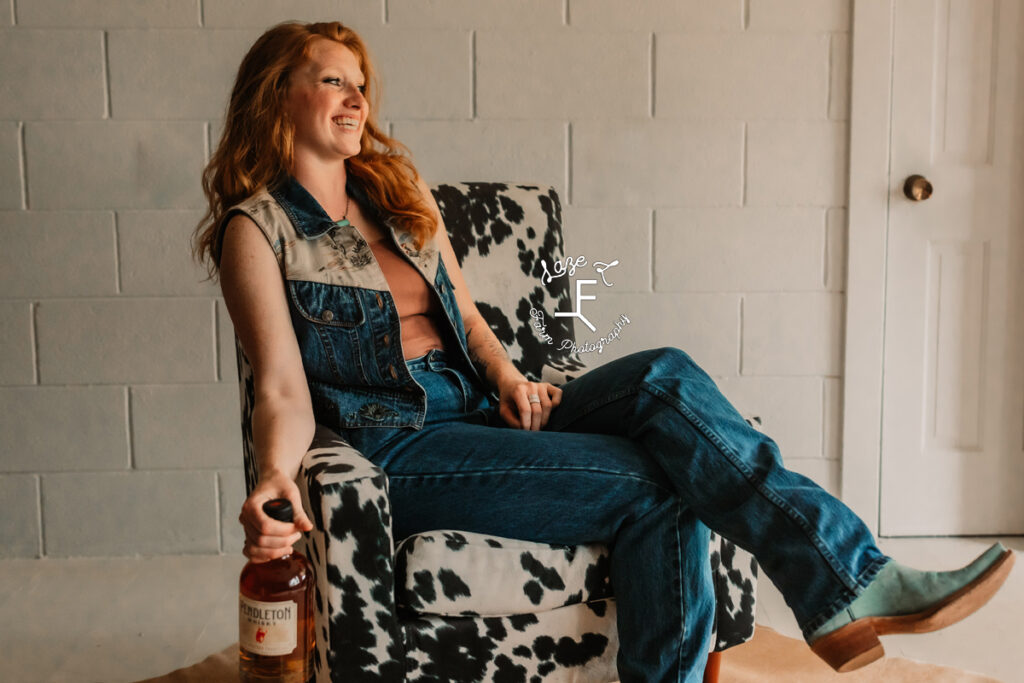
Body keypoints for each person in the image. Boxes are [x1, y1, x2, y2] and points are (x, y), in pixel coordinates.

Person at [191, 20, 1015, 682]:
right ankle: (843, 588)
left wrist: (514, 379)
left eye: (361, 83)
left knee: (664, 378)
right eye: (334, 79)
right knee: (668, 479)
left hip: (482, 413)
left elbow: (472, 328)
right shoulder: (256, 230)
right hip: (400, 447)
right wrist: (271, 474)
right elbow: (281, 388)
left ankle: (849, 575)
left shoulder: (402, 202)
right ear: (279, 96)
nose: (355, 97)